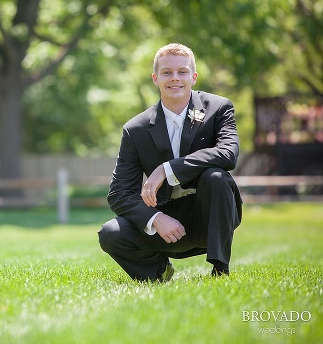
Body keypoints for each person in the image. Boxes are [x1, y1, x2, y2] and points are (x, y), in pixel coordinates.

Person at [98, 43, 242, 282]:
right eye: (167, 72)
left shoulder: (218, 108)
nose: (175, 78)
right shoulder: (136, 129)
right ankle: (159, 270)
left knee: (216, 177)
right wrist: (155, 219)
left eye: (182, 72)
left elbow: (228, 154)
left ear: (193, 77)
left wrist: (168, 169)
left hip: (211, 218)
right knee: (110, 233)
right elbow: (119, 193)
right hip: (165, 226)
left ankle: (220, 270)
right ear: (155, 78)